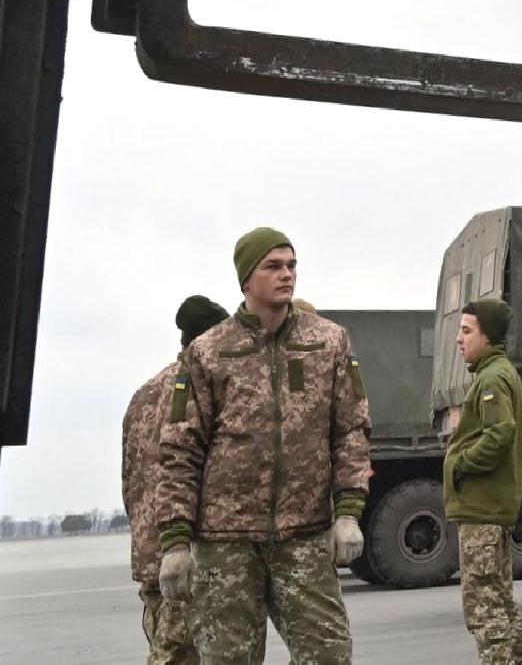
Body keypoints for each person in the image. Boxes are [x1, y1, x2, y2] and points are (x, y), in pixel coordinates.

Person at [152, 227, 372, 664]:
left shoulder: (327, 342)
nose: (286, 274)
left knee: (329, 656)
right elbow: (180, 450)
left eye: (291, 265)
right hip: (224, 543)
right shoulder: (208, 352)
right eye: (273, 266)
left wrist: (348, 513)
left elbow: (351, 430)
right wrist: (175, 542)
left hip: (303, 537)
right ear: (246, 279)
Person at [123, 295, 230, 665]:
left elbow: (129, 479)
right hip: (188, 552)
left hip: (151, 551)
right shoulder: (206, 391)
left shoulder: (145, 393)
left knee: (163, 646)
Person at [444, 298, 522, 664]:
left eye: (466, 331)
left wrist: (461, 463)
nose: (458, 340)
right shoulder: (500, 373)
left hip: (483, 511)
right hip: (492, 509)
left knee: (485, 610)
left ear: (488, 336)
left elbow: (502, 432)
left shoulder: (493, 377)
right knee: (501, 604)